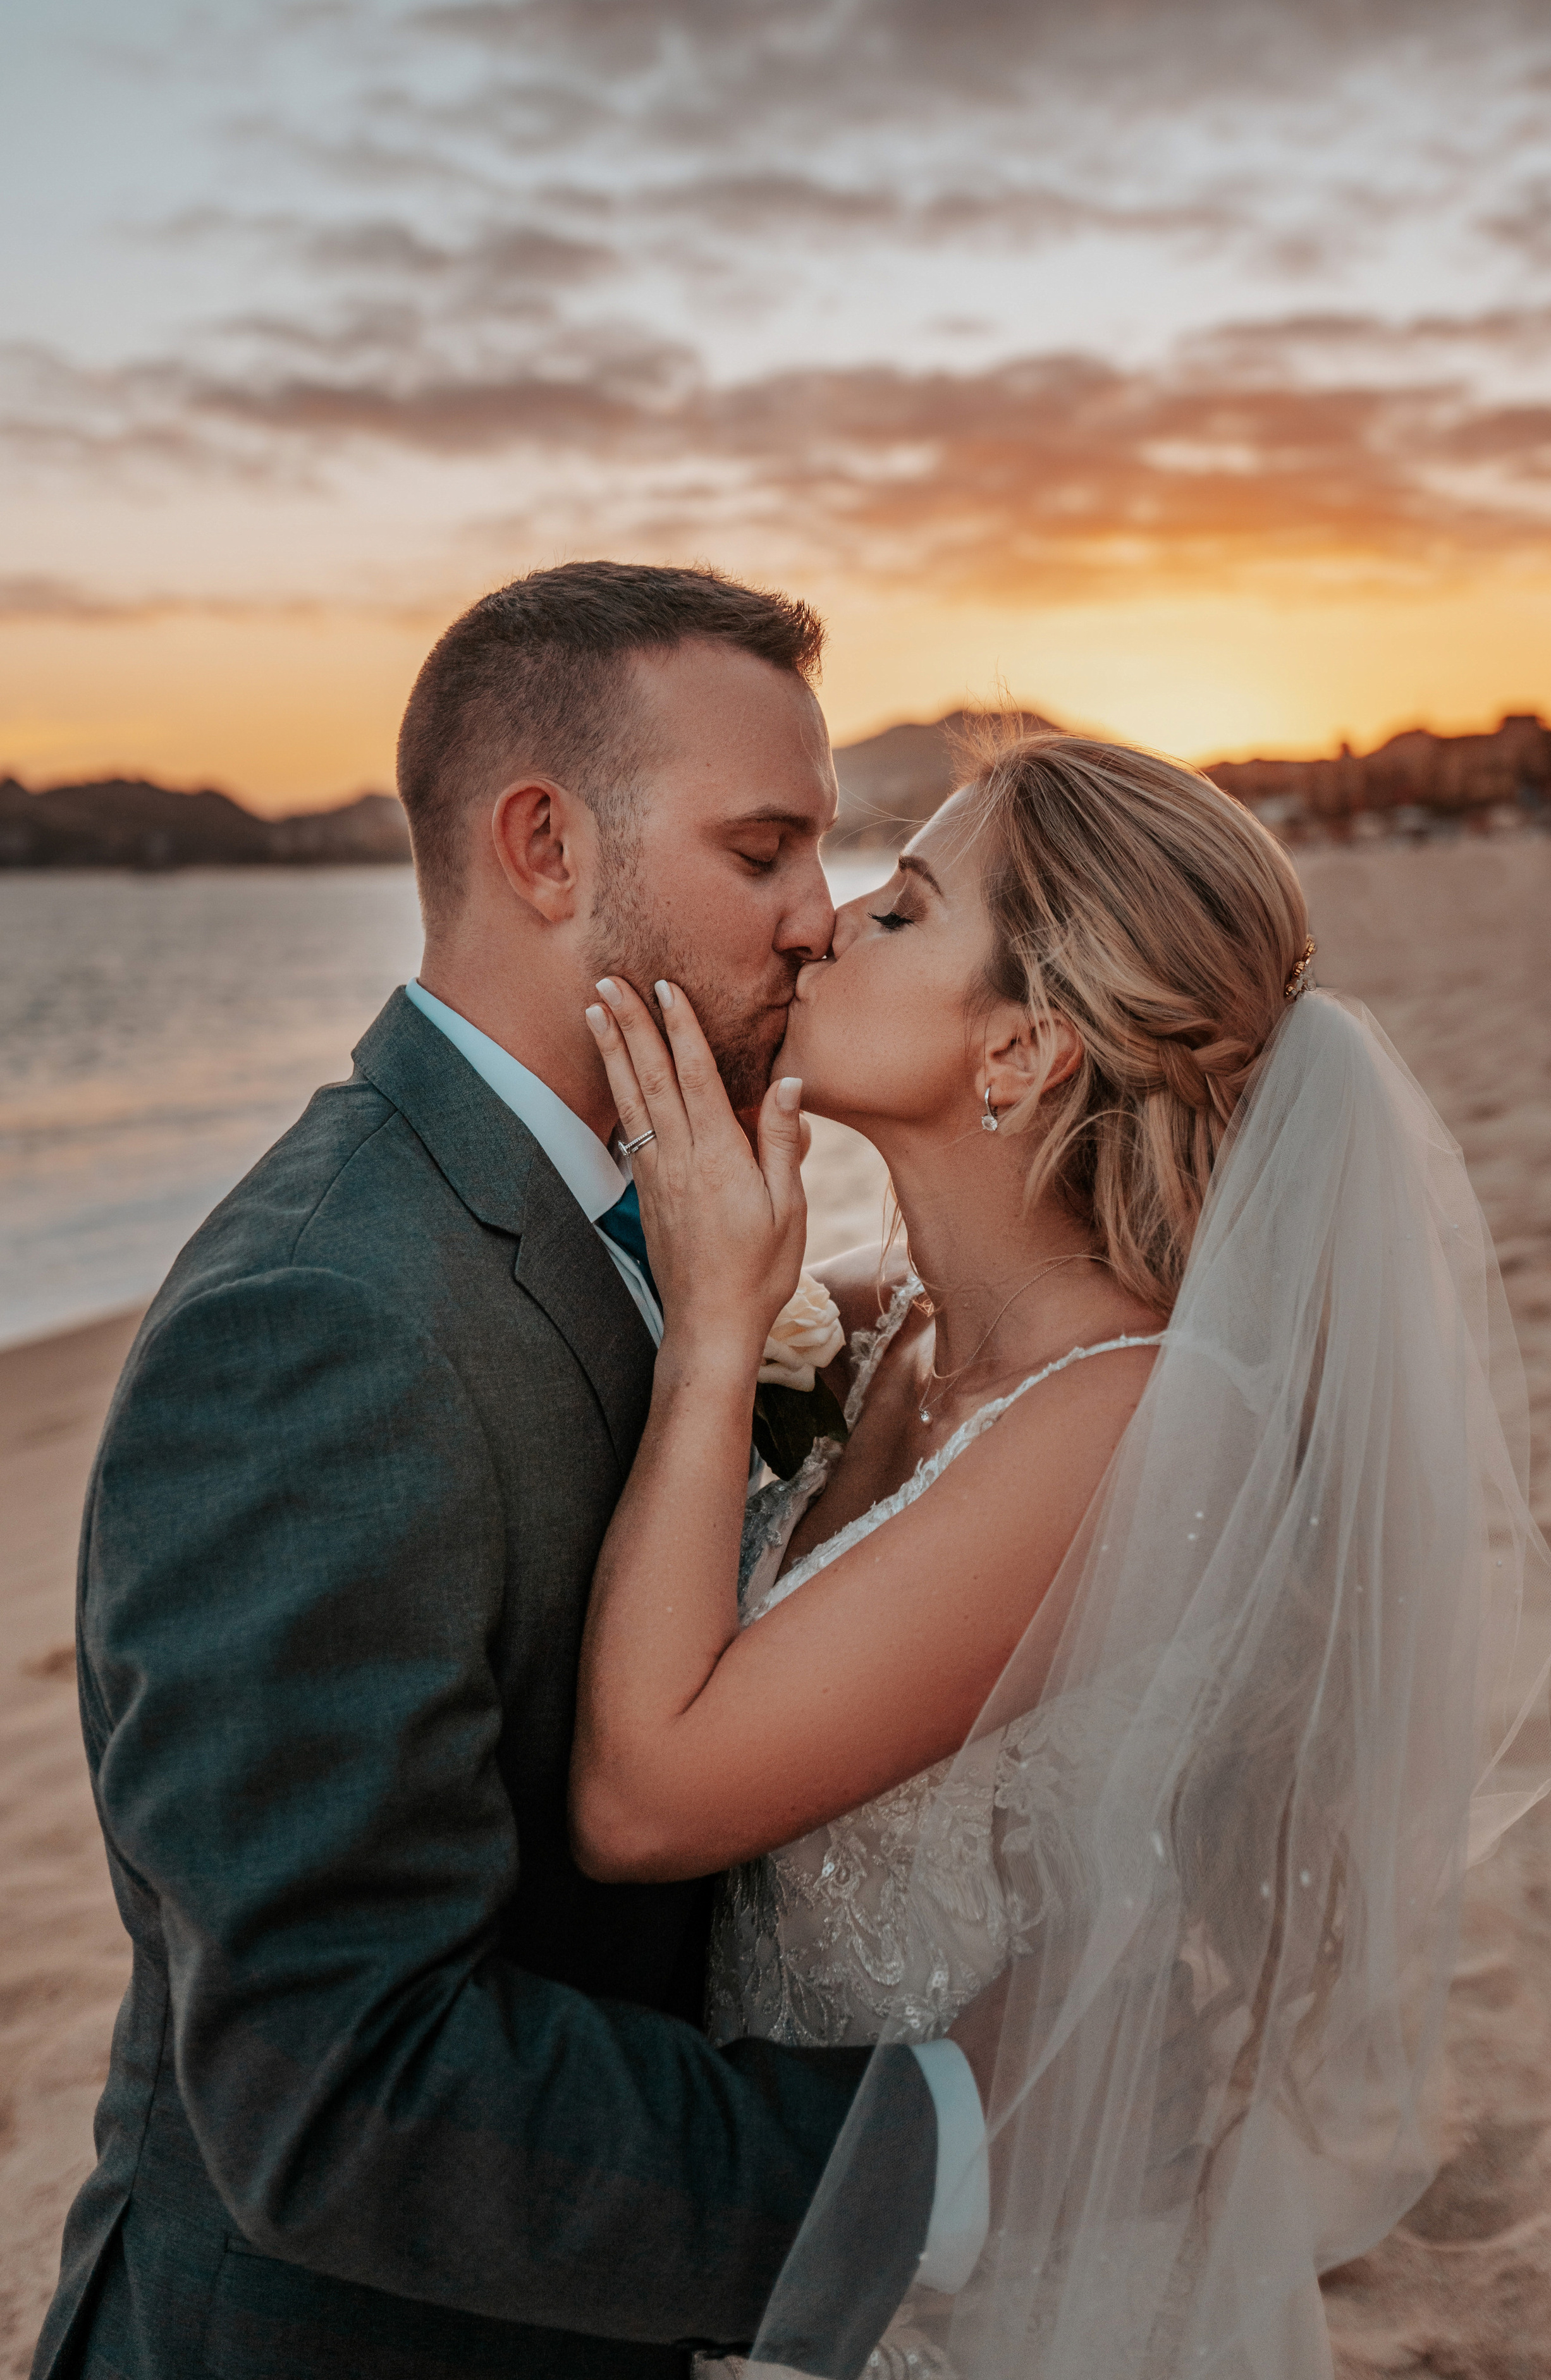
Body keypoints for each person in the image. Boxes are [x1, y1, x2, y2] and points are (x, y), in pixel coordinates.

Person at [34, 563, 977, 2380]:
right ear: (545, 847)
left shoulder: (637, 1220)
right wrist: (946, 2157)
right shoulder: (324, 1319)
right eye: (764, 849)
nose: (817, 919)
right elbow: (336, 2087)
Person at [569, 729, 1551, 2377]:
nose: (826, 921)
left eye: (903, 911)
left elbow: (643, 1798)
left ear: (1020, 1047)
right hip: (806, 2241)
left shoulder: (1137, 1428)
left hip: (974, 2302)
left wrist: (712, 1337)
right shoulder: (894, 1329)